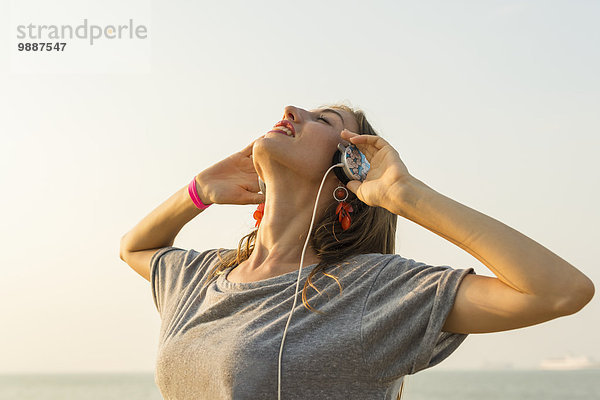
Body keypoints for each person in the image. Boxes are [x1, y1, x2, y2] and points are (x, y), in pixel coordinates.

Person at [120, 104, 595, 400]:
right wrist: (198, 191)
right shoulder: (203, 276)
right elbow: (134, 247)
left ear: (350, 169)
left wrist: (406, 196)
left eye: (322, 120)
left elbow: (559, 291)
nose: (290, 111)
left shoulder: (372, 290)